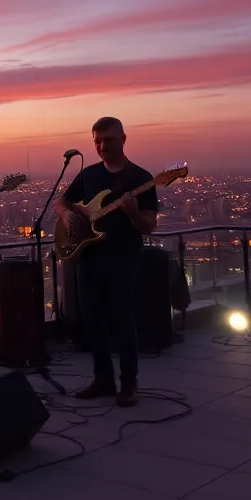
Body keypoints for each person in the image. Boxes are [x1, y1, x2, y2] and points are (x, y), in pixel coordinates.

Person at [56, 116, 158, 407]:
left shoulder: (142, 178)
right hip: (89, 255)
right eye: (97, 141)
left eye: (108, 140)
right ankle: (103, 378)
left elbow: (148, 225)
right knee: (93, 318)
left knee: (122, 318)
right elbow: (62, 202)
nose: (102, 146)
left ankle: (129, 383)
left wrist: (132, 213)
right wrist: (67, 216)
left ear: (124, 139)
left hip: (123, 255)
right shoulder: (89, 175)